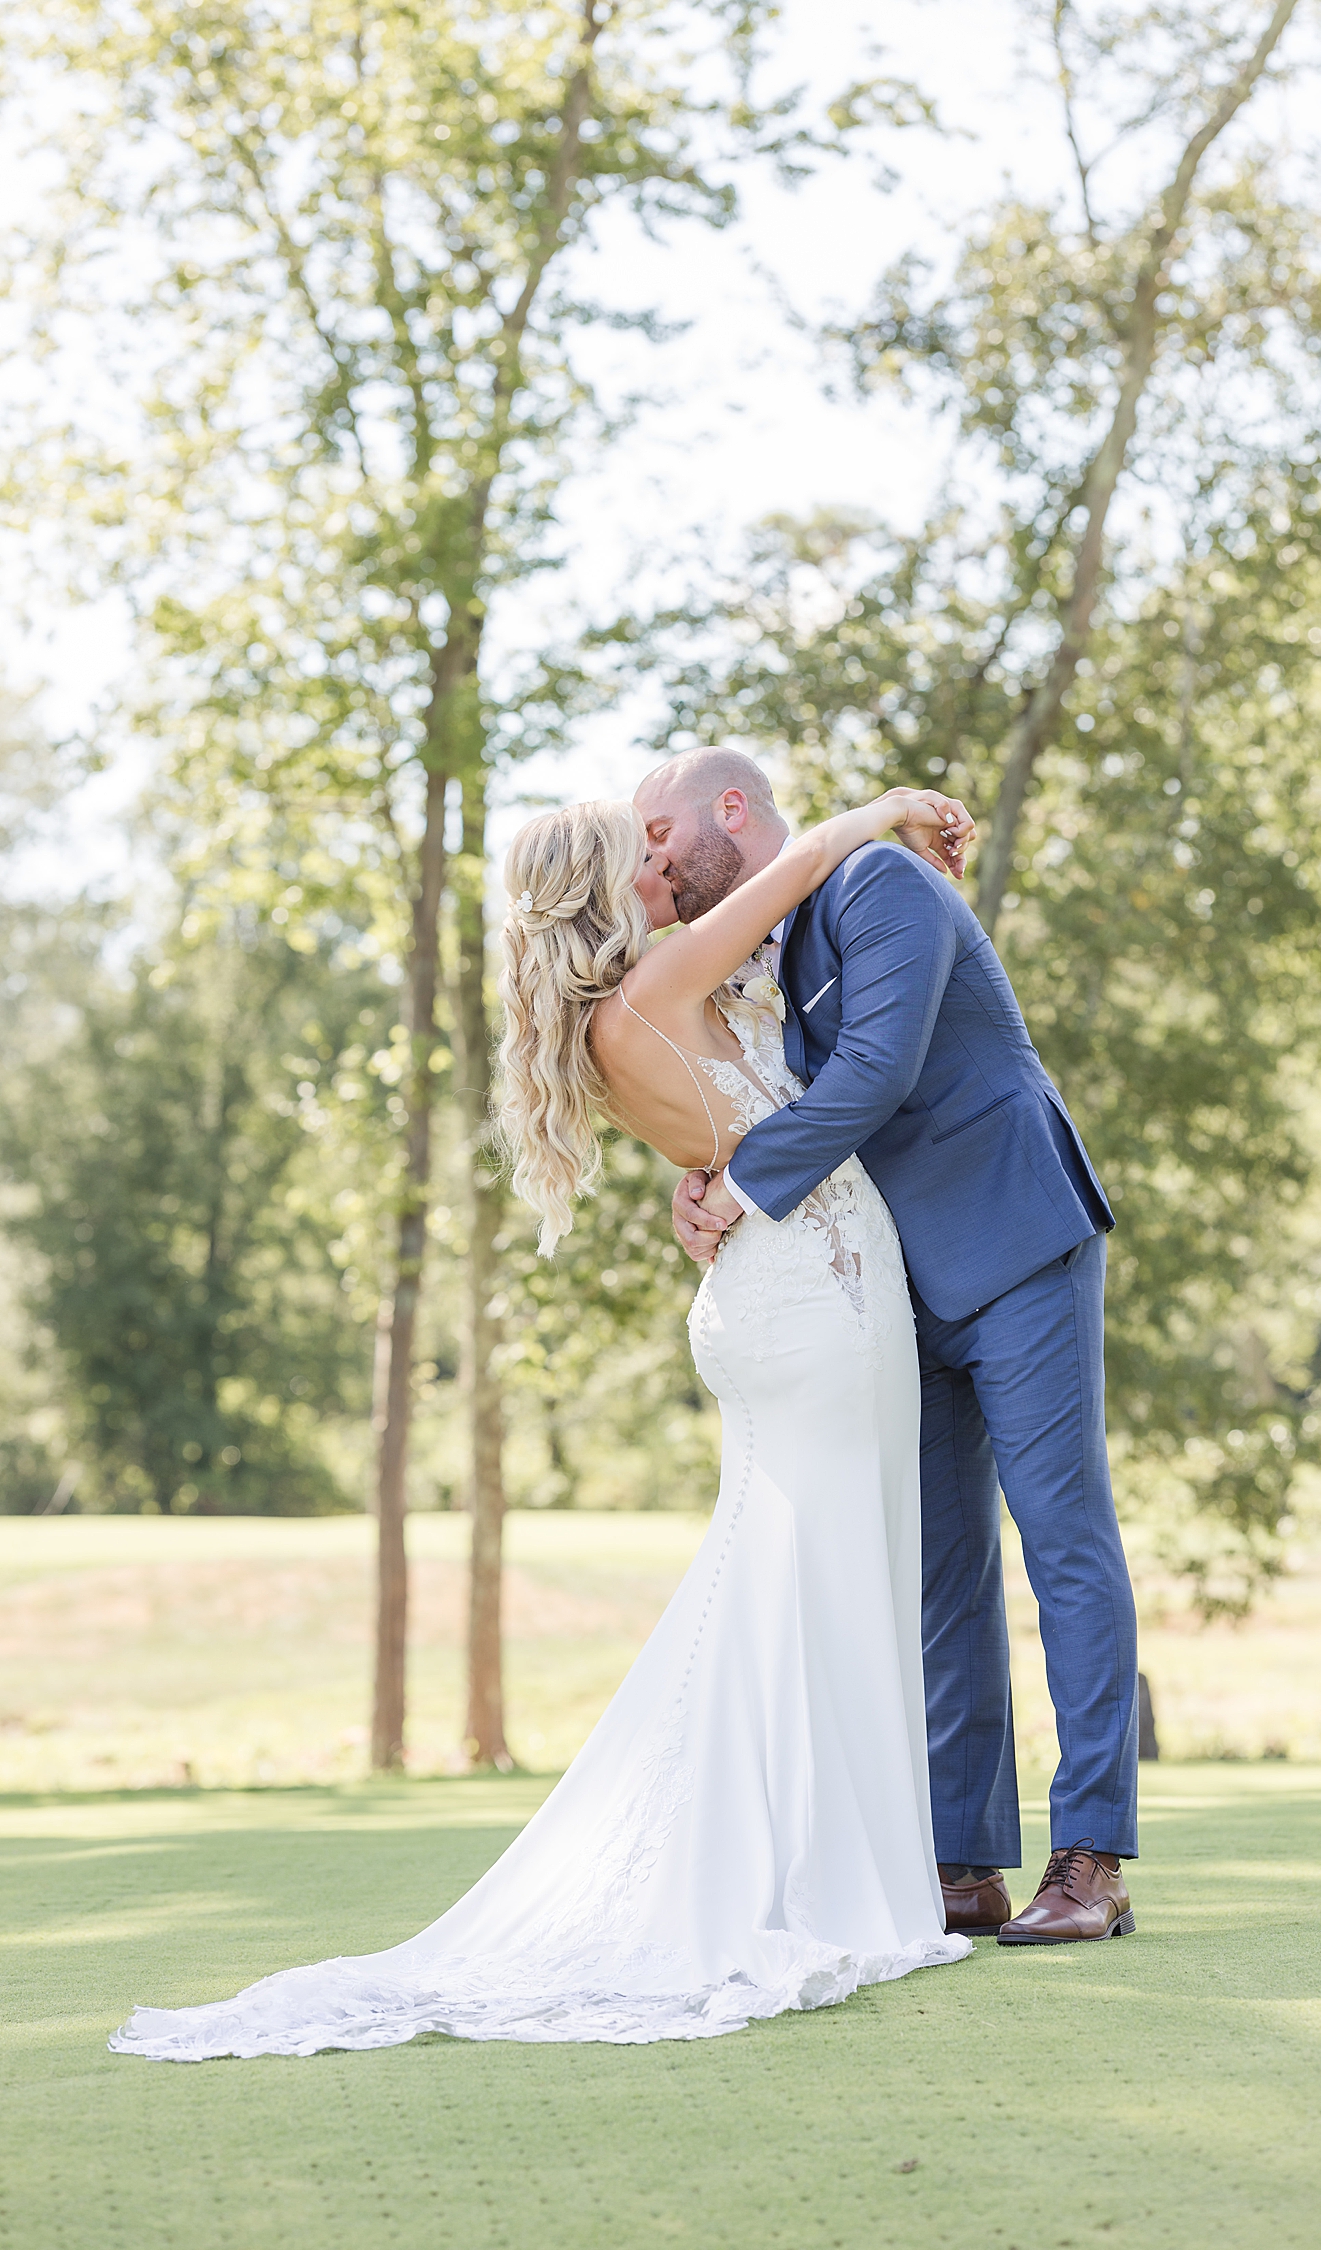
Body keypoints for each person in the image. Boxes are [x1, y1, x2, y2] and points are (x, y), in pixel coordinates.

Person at [109, 777, 977, 2061]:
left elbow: (725, 1119)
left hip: (771, 1300)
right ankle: (840, 1885)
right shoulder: (665, 981)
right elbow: (792, 872)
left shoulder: (608, 1027)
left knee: (789, 1587)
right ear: (606, 884)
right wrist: (889, 805)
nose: (661, 869)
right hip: (819, 1298)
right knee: (835, 1578)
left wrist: (720, 1177)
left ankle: (821, 1867)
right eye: (642, 856)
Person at [653, 750, 1138, 1945]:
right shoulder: (752, 953)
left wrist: (741, 1191)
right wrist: (697, 1169)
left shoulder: (880, 885)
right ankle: (962, 1861)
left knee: (1062, 1541)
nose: (651, 858)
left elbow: (879, 1068)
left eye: (658, 830)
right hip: (895, 1288)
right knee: (942, 1569)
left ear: (733, 807)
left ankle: (1091, 1863)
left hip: (1015, 1235)